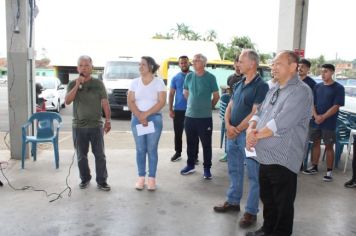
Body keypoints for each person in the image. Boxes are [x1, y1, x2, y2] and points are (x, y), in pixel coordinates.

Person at [245, 50, 313, 236]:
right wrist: (251, 128)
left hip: (283, 159)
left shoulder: (300, 92)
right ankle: (268, 230)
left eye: (278, 64)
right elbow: (260, 112)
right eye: (273, 63)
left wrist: (254, 135)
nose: (273, 67)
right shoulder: (274, 88)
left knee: (282, 204)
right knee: (268, 199)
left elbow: (280, 124)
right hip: (265, 157)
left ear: (293, 67)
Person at [213, 49, 269, 229]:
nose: (238, 64)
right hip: (233, 134)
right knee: (234, 170)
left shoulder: (261, 86)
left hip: (248, 135)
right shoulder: (239, 83)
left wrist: (237, 129)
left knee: (253, 174)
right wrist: (228, 125)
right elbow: (230, 105)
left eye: (241, 61)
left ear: (252, 63)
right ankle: (233, 201)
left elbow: (256, 112)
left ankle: (251, 211)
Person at [65, 55, 112, 191]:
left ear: (92, 67)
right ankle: (85, 178)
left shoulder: (98, 84)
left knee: (100, 155)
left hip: (96, 126)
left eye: (86, 65)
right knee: (81, 156)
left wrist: (108, 120)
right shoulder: (72, 84)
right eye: (81, 65)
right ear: (77, 68)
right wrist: (77, 85)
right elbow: (67, 101)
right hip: (78, 127)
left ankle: (102, 181)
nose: (84, 68)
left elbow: (105, 103)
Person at [127, 56, 166, 191]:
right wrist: (140, 115)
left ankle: (152, 179)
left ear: (150, 66)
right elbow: (130, 101)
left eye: (142, 64)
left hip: (154, 119)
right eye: (139, 64)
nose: (140, 67)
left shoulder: (159, 82)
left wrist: (146, 114)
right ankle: (141, 178)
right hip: (137, 119)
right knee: (140, 149)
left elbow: (161, 102)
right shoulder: (135, 82)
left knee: (152, 149)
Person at [180, 53, 220, 179]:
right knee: (191, 143)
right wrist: (193, 105)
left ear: (203, 63)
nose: (194, 62)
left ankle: (207, 169)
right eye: (194, 60)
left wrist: (208, 107)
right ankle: (190, 165)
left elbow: (216, 96)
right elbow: (185, 93)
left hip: (205, 118)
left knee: (206, 145)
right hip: (190, 117)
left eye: (197, 60)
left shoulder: (211, 78)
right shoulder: (189, 77)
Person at [303, 64, 345, 181]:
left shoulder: (338, 88)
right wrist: (316, 115)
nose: (323, 74)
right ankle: (314, 166)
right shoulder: (317, 87)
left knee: (329, 146)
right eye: (321, 72)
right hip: (316, 121)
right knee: (315, 143)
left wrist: (323, 117)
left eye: (325, 72)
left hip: (329, 123)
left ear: (332, 73)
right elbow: (312, 103)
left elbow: (336, 106)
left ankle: (329, 172)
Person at [169, 56, 199, 164]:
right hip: (178, 110)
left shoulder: (195, 76)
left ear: (189, 63)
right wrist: (170, 109)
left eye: (185, 62)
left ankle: (194, 156)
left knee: (193, 135)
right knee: (178, 133)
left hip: (193, 110)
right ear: (179, 65)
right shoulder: (175, 78)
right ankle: (178, 153)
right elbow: (171, 93)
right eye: (181, 63)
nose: (183, 65)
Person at [219, 55, 243, 162]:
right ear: (234, 64)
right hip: (230, 109)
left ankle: (243, 155)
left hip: (241, 110)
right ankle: (227, 152)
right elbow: (229, 93)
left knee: (241, 132)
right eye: (236, 64)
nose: (238, 67)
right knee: (227, 131)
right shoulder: (230, 78)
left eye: (240, 64)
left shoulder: (245, 78)